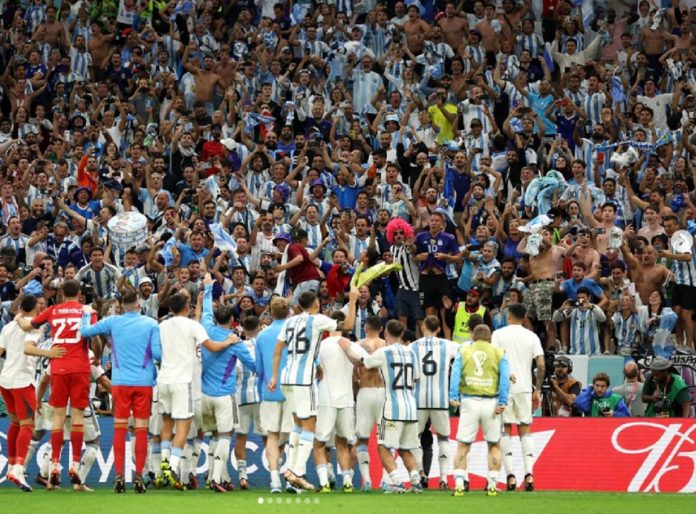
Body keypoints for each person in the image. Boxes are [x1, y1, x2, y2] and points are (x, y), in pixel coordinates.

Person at [268, 287, 358, 491]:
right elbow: (349, 325)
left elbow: (277, 351)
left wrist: (274, 376)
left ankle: (291, 472)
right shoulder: (317, 320)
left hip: (286, 379)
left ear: (299, 306)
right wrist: (352, 301)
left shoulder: (290, 321)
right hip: (303, 381)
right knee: (310, 427)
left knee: (298, 426)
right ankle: (297, 472)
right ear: (316, 304)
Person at [79, 289, 160, 493]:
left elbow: (85, 332)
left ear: (121, 305)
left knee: (120, 429)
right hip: (143, 383)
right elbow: (158, 354)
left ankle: (119, 477)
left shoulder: (113, 321)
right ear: (139, 303)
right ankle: (139, 476)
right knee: (141, 430)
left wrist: (87, 313)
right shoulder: (151, 324)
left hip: (120, 383)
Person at [16, 279, 95, 489]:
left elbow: (26, 325)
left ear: (61, 293)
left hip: (58, 366)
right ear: (79, 293)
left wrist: (17, 316)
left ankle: (55, 465)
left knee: (58, 418)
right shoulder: (87, 310)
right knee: (77, 417)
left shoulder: (52, 311)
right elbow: (93, 336)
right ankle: (76, 465)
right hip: (80, 366)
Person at [157, 292, 240, 489]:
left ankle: (164, 463)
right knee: (184, 427)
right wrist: (228, 342)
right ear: (187, 308)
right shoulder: (194, 326)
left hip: (163, 380)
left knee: (167, 424)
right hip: (182, 382)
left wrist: (201, 304)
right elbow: (211, 346)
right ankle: (172, 468)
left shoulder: (161, 326)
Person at [339, 320, 423, 494]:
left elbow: (360, 362)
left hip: (390, 406)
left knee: (380, 444)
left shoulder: (382, 351)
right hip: (410, 407)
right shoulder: (411, 353)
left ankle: (394, 482)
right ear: (402, 334)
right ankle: (415, 481)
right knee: (404, 447)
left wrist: (346, 347)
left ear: (386, 333)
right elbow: (416, 378)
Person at [0, 294, 65, 492]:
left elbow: (1, 351)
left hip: (5, 380)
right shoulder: (35, 324)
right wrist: (49, 354)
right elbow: (29, 349)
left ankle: (12, 465)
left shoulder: (8, 326)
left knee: (15, 423)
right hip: (22, 380)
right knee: (28, 425)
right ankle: (18, 469)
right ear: (36, 308)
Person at [198, 273, 256, 493]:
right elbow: (252, 365)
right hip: (224, 396)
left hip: (203, 395)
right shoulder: (235, 341)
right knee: (224, 436)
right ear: (232, 321)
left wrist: (207, 287)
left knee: (213, 435)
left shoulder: (205, 326)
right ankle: (215, 477)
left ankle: (216, 475)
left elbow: (204, 308)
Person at [449, 324, 510, 497]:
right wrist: (503, 400)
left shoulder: (464, 351)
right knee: (494, 445)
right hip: (491, 403)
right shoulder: (499, 352)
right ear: (489, 338)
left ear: (473, 337)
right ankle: (492, 484)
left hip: (469, 402)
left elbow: (455, 372)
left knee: (463, 445)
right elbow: (505, 377)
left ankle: (459, 484)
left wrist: (453, 395)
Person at [492, 303, 544, 492]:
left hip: (505, 388)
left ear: (508, 316)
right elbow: (541, 363)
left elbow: (495, 359)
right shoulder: (532, 336)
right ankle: (529, 474)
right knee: (525, 430)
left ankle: (510, 476)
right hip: (524, 388)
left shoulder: (498, 334)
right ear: (524, 317)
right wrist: (537, 389)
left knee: (505, 431)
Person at [410, 315, 458, 489]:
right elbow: (465, 352)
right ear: (438, 329)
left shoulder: (413, 346)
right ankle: (444, 479)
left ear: (423, 327)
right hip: (440, 399)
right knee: (443, 438)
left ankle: (421, 474)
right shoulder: (448, 345)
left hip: (418, 399)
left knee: (415, 437)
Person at [314, 311, 359, 493]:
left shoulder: (321, 345)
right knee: (343, 443)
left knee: (319, 444)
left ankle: (325, 483)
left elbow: (313, 368)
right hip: (347, 400)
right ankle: (347, 482)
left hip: (326, 399)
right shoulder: (351, 346)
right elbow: (363, 362)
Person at [354, 314, 388, 491]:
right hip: (383, 393)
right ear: (381, 329)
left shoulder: (358, 346)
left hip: (365, 392)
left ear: (366, 327)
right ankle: (386, 480)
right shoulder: (387, 346)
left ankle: (366, 479)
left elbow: (354, 373)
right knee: (385, 438)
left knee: (362, 439)